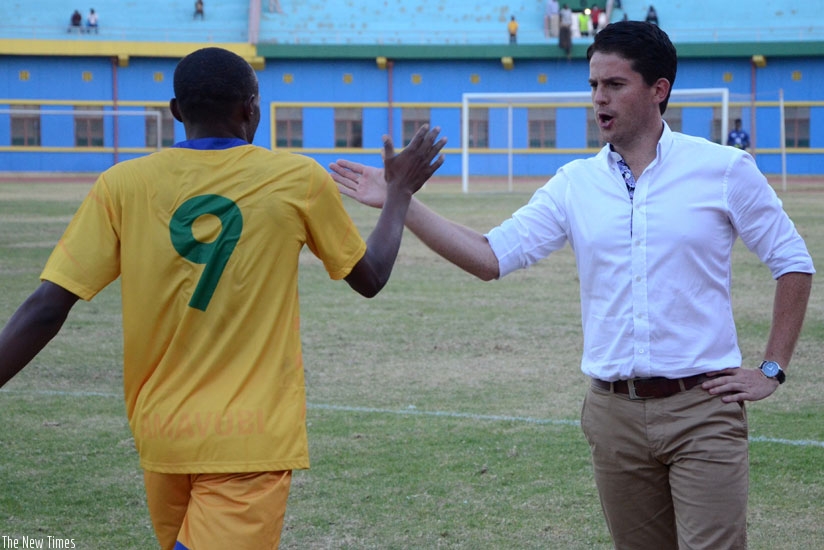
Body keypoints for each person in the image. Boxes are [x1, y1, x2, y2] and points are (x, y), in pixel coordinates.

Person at [329, 21, 814, 549]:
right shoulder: (574, 185)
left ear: (659, 90)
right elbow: (490, 257)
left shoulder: (722, 169)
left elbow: (792, 262)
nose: (599, 99)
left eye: (614, 85)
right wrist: (403, 201)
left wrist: (772, 368)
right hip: (614, 416)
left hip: (702, 409)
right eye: (593, 86)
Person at [0, 47, 445, 549]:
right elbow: (371, 276)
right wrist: (400, 192)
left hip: (162, 433)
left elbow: (44, 309)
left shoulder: (121, 185)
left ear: (175, 111)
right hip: (250, 441)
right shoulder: (296, 179)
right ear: (251, 108)